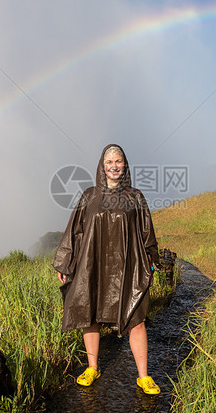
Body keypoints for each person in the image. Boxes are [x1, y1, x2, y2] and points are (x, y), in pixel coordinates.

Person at [53, 143, 161, 395]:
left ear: (125, 165)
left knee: (136, 319)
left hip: (128, 266)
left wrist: (150, 263)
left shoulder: (135, 197)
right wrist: (66, 262)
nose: (114, 166)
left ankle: (144, 376)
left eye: (118, 161)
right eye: (109, 161)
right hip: (92, 265)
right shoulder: (89, 196)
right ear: (102, 166)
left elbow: (147, 232)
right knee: (89, 314)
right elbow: (75, 230)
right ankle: (92, 367)